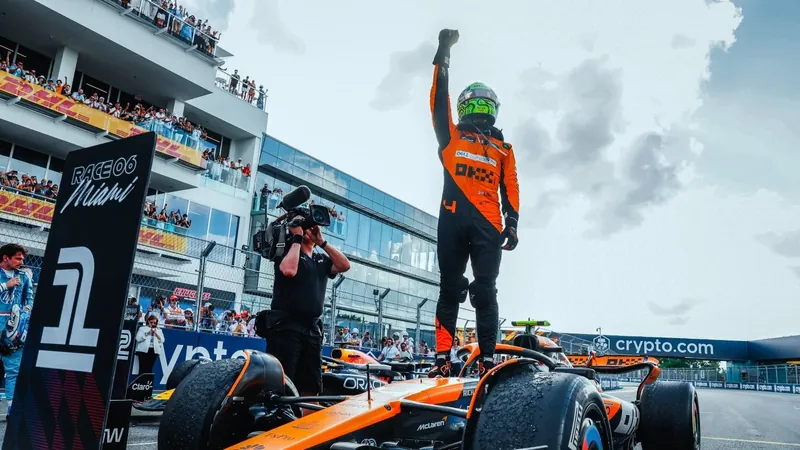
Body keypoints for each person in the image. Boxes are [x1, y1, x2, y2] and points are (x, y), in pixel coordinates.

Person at [428, 29, 520, 378]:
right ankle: (442, 357)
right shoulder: (450, 135)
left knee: (485, 290)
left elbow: (511, 187)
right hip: (451, 221)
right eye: (476, 102)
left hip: (488, 226)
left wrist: (513, 223)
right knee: (450, 288)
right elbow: (439, 98)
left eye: (487, 103)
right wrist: (444, 51)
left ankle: (487, 358)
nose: (482, 108)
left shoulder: (504, 149)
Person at [261, 223, 350, 405]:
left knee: (311, 385)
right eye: (305, 226)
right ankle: (279, 421)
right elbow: (288, 270)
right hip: (286, 327)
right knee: (283, 382)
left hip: (312, 330)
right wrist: (296, 239)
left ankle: (307, 427)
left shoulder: (320, 259)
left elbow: (344, 265)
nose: (310, 229)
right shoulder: (287, 252)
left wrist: (322, 241)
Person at [0, 243, 34, 420]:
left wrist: (25, 313)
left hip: (13, 329)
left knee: (14, 369)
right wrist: (6, 285)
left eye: (22, 258)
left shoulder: (24, 276)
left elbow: (29, 298)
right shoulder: (6, 278)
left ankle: (12, 410)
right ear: (6, 257)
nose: (22, 261)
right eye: (18, 258)